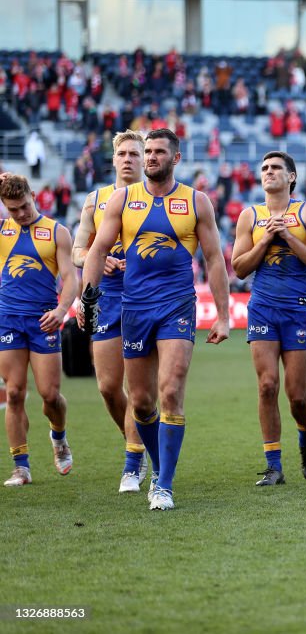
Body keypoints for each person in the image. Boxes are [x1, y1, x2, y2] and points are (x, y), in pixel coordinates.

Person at [80, 128, 231, 510]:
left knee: (170, 390)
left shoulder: (197, 202)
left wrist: (224, 315)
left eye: (158, 151)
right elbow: (96, 251)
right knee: (143, 402)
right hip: (134, 309)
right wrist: (87, 298)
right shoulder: (122, 199)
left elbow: (213, 259)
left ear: (175, 158)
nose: (150, 157)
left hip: (177, 306)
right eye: (147, 151)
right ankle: (159, 462)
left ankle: (163, 485)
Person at [231, 151, 306, 486]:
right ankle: (273, 465)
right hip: (262, 308)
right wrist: (267, 239)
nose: (268, 172)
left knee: (297, 395)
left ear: (292, 177)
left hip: (297, 309)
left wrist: (286, 236)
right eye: (264, 168)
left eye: (276, 168)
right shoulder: (249, 216)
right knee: (267, 384)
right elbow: (240, 268)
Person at [71, 130, 147, 492]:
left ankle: (133, 460)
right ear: (114, 159)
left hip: (146, 298)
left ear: (145, 159)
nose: (129, 158)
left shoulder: (154, 198)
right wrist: (99, 262)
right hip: (107, 297)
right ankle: (135, 437)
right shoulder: (95, 199)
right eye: (123, 153)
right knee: (107, 387)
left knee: (138, 386)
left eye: (136, 153)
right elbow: (77, 252)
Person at [0, 175, 77, 487]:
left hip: (44, 320)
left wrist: (61, 310)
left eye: (25, 206)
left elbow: (71, 278)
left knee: (50, 395)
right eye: (13, 209)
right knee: (14, 392)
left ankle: (58, 437)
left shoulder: (57, 232)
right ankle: (21, 467)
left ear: (34, 195)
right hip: (8, 319)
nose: (21, 213)